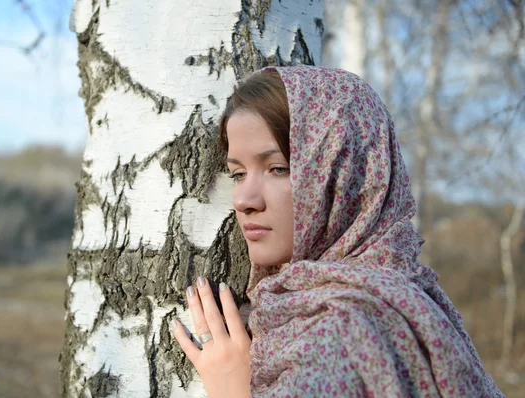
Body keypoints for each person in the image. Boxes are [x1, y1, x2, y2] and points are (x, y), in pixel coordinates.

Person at [172, 66, 504, 397]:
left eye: (278, 169)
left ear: (348, 176)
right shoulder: (411, 298)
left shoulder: (338, 333)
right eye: (238, 174)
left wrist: (232, 390)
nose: (244, 200)